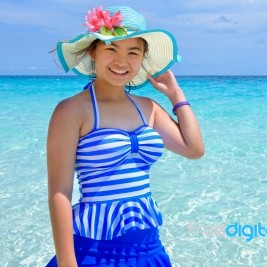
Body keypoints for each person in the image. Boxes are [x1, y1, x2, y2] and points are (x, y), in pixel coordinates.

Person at [46, 5, 204, 266]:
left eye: (133, 52)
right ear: (93, 52)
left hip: (148, 246)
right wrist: (67, 262)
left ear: (142, 59)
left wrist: (176, 95)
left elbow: (194, 149)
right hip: (95, 250)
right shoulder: (73, 110)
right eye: (112, 49)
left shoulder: (148, 108)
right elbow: (59, 192)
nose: (122, 61)